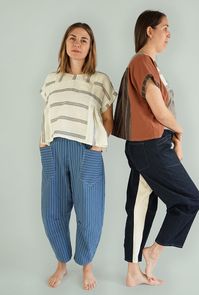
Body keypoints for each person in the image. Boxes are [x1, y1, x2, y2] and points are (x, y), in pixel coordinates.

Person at [112, 10, 199, 287]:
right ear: (149, 31)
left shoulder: (150, 64)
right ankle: (154, 251)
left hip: (150, 144)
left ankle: (132, 272)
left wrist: (173, 137)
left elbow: (160, 111)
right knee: (189, 199)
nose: (169, 33)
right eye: (165, 27)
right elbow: (159, 110)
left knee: (141, 207)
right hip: (149, 146)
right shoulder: (141, 61)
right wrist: (180, 131)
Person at [39, 22, 116, 290]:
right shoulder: (50, 80)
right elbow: (47, 116)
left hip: (86, 151)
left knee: (90, 213)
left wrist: (99, 146)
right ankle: (62, 264)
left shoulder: (100, 81)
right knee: (52, 212)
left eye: (84, 40)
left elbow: (109, 120)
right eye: (72, 38)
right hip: (54, 149)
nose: (77, 43)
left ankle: (87, 265)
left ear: (90, 47)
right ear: (65, 44)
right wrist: (43, 145)